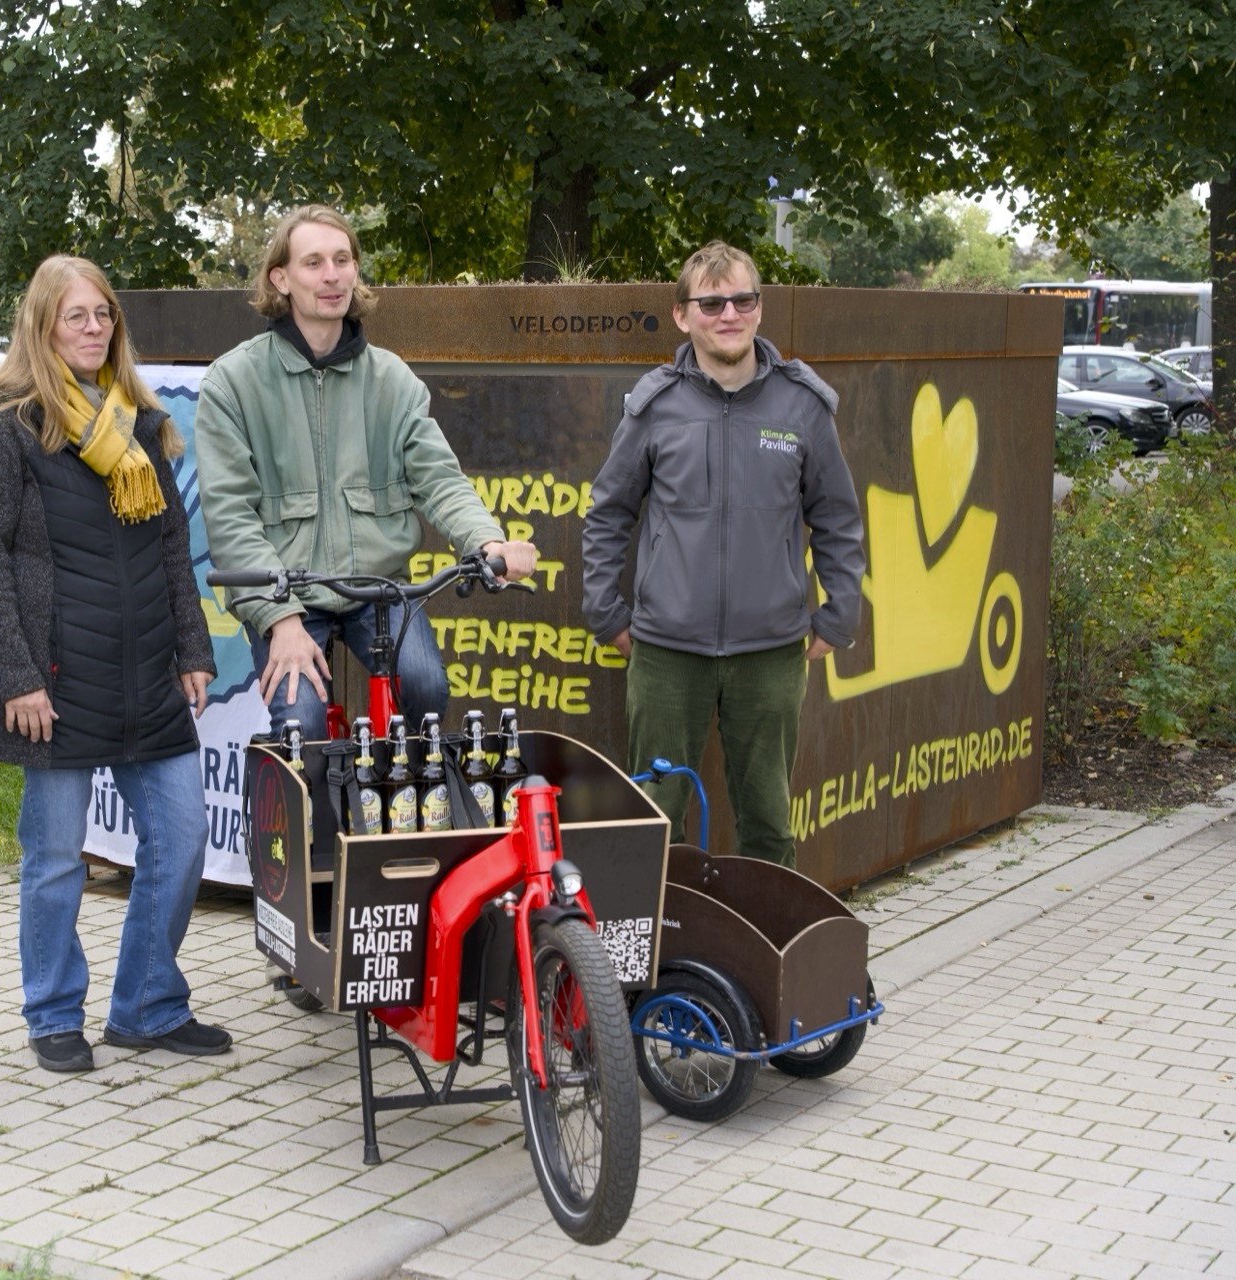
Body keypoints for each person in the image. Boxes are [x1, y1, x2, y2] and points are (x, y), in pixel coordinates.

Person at [0, 255, 225, 1074]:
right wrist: (19, 675)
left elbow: (174, 550)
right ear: (42, 326)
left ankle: (147, 1006)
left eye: (103, 315)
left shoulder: (143, 428)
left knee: (180, 845)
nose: (93, 328)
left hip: (149, 668)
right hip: (57, 680)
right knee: (53, 862)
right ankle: (51, 1014)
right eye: (75, 316)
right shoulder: (9, 429)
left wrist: (193, 647)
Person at [194, 204, 537, 739]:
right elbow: (231, 514)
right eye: (313, 263)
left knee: (424, 688)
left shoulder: (391, 379)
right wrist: (280, 619)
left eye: (342, 259)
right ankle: (305, 817)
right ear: (280, 278)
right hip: (286, 589)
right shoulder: (233, 382)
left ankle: (396, 809)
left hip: (376, 586)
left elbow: (439, 479)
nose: (332, 276)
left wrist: (487, 540)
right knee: (302, 720)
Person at [581, 241, 865, 868]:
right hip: (665, 653)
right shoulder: (655, 407)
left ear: (760, 310)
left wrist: (838, 616)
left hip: (770, 653)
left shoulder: (803, 407)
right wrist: (607, 613)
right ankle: (655, 958)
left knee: (767, 823)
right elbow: (609, 513)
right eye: (711, 302)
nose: (728, 313)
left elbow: (838, 520)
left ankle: (769, 957)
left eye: (742, 299)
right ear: (683, 315)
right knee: (655, 821)